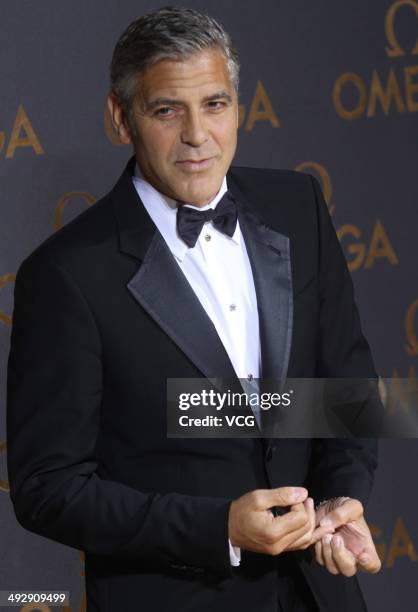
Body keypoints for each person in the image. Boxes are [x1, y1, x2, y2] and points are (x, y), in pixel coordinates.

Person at [7, 6, 381, 612]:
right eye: (166, 110)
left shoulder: (298, 205)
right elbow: (47, 489)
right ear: (120, 117)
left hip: (321, 593)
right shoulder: (67, 274)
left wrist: (342, 498)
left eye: (214, 104)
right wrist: (220, 530)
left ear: (238, 104)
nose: (197, 135)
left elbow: (346, 389)